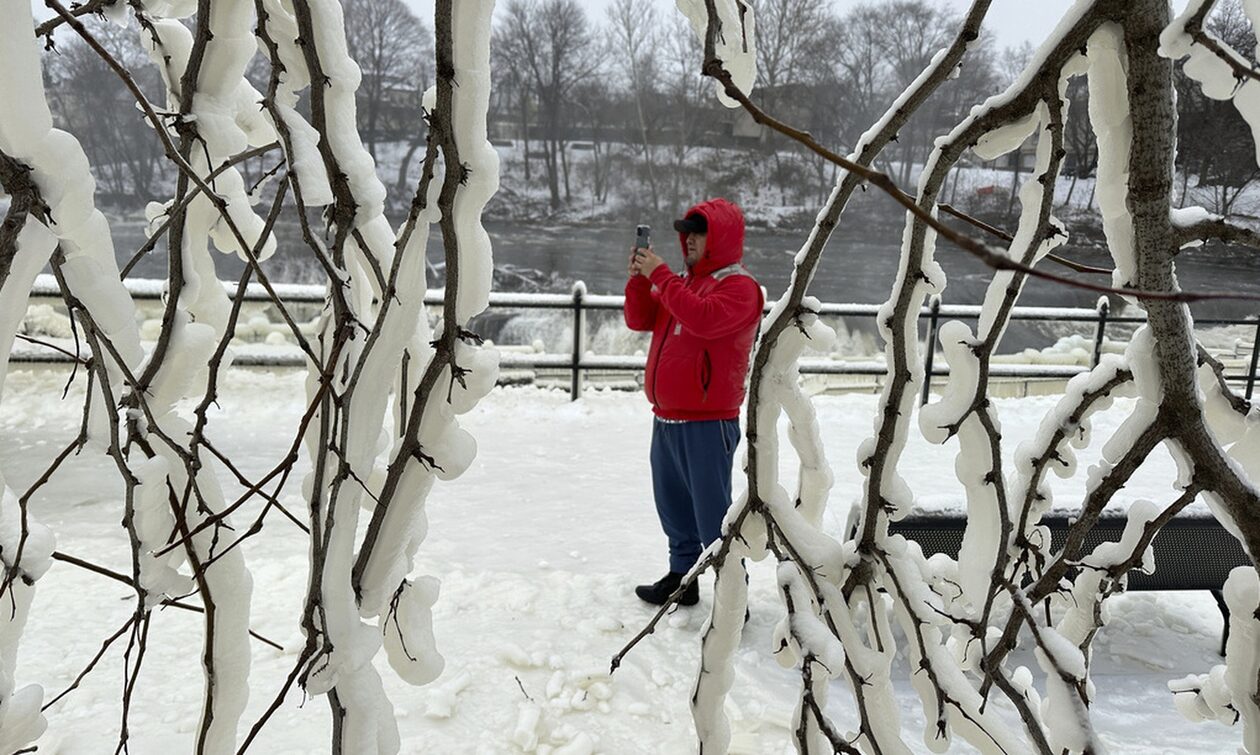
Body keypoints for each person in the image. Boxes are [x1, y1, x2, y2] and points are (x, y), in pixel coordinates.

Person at [623, 198, 764, 606]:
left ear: (719, 238)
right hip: (667, 418)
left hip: (708, 422)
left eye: (698, 232)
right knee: (673, 509)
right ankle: (682, 578)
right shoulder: (680, 283)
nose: (690, 240)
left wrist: (661, 276)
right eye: (687, 232)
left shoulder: (740, 287)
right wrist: (638, 280)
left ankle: (731, 595)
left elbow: (702, 319)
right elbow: (639, 319)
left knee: (713, 517)